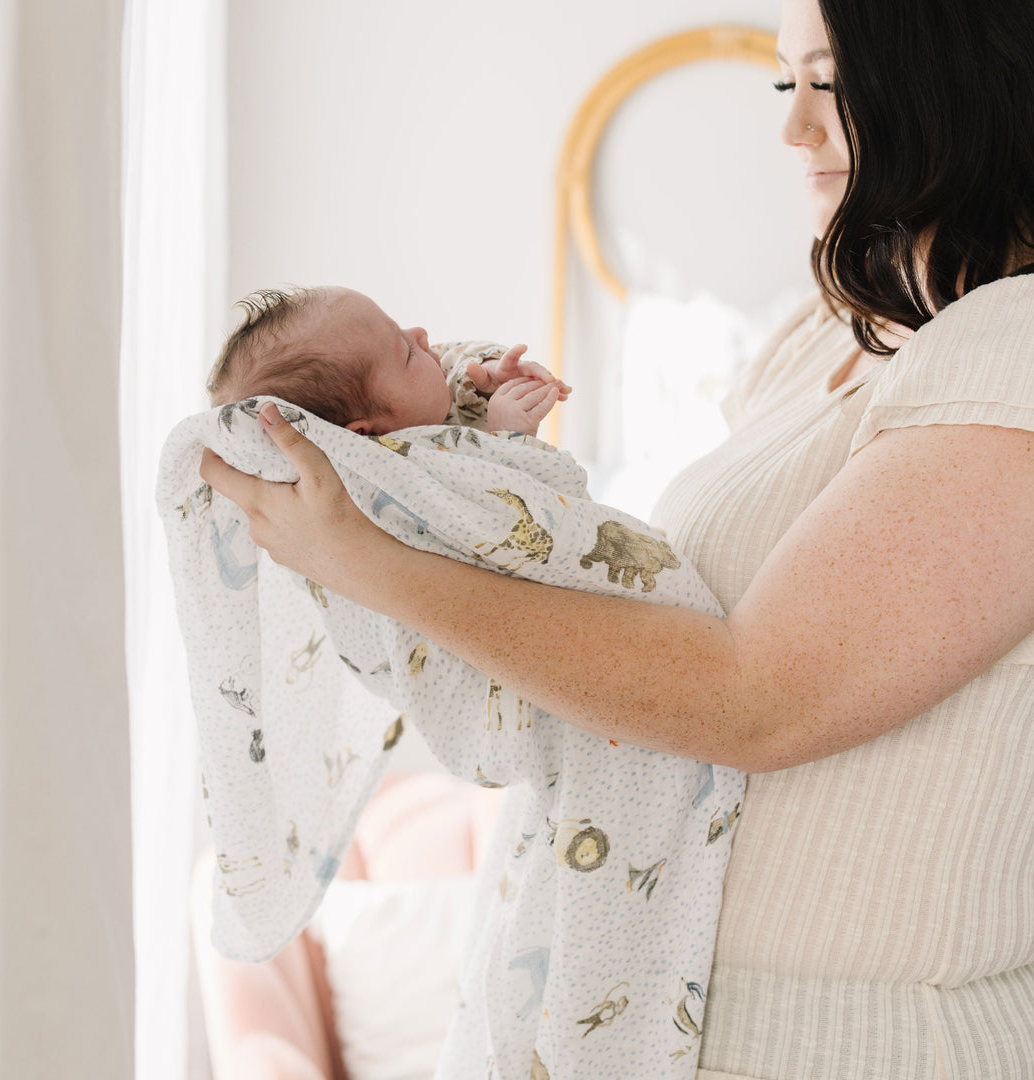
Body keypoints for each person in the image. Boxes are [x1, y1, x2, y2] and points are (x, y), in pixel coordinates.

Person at [200, 0, 1034, 1075]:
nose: (794, 131)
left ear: (960, 82)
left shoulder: (1011, 353)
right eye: (787, 86)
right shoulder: (830, 337)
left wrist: (364, 560)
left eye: (829, 83)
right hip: (652, 1013)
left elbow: (755, 698)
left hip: (845, 1041)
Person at [205, 284, 570, 438]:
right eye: (408, 353)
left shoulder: (408, 418)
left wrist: (483, 381)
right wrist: (509, 438)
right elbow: (513, 527)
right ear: (365, 433)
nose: (421, 334)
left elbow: (444, 391)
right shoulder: (401, 484)